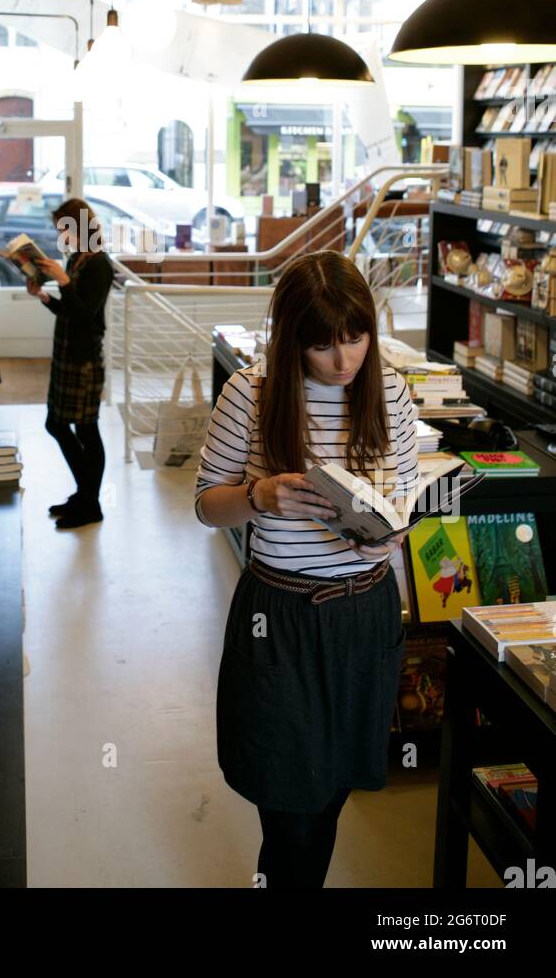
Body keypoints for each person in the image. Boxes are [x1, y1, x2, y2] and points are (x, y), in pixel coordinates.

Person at [194, 250, 419, 889]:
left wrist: (385, 540)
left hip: (364, 615)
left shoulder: (391, 394)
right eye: (323, 346)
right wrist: (260, 496)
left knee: (331, 795)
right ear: (294, 338)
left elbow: (401, 504)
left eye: (356, 339)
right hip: (281, 618)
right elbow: (207, 506)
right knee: (291, 808)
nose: (344, 361)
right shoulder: (252, 393)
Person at [27, 197, 114, 529]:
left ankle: (90, 502)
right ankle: (85, 495)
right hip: (68, 355)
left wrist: (62, 281)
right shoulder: (78, 259)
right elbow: (68, 311)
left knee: (84, 429)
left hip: (85, 360)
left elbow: (85, 316)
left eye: (64, 227)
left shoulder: (99, 264)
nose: (60, 234)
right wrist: (45, 297)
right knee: (60, 424)